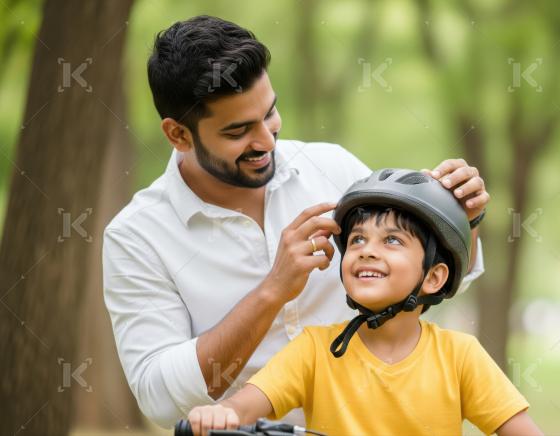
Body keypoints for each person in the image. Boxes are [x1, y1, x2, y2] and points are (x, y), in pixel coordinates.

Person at [103, 16, 490, 427]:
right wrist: (272, 291)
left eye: (270, 113)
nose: (267, 141)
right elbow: (160, 398)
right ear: (179, 135)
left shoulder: (331, 167)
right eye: (239, 131)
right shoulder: (137, 236)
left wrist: (462, 219)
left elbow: (428, 279)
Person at [186, 169, 543, 436]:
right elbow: (246, 404)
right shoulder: (315, 350)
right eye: (357, 240)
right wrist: (224, 413)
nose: (367, 251)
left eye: (392, 240)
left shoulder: (459, 356)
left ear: (434, 277)